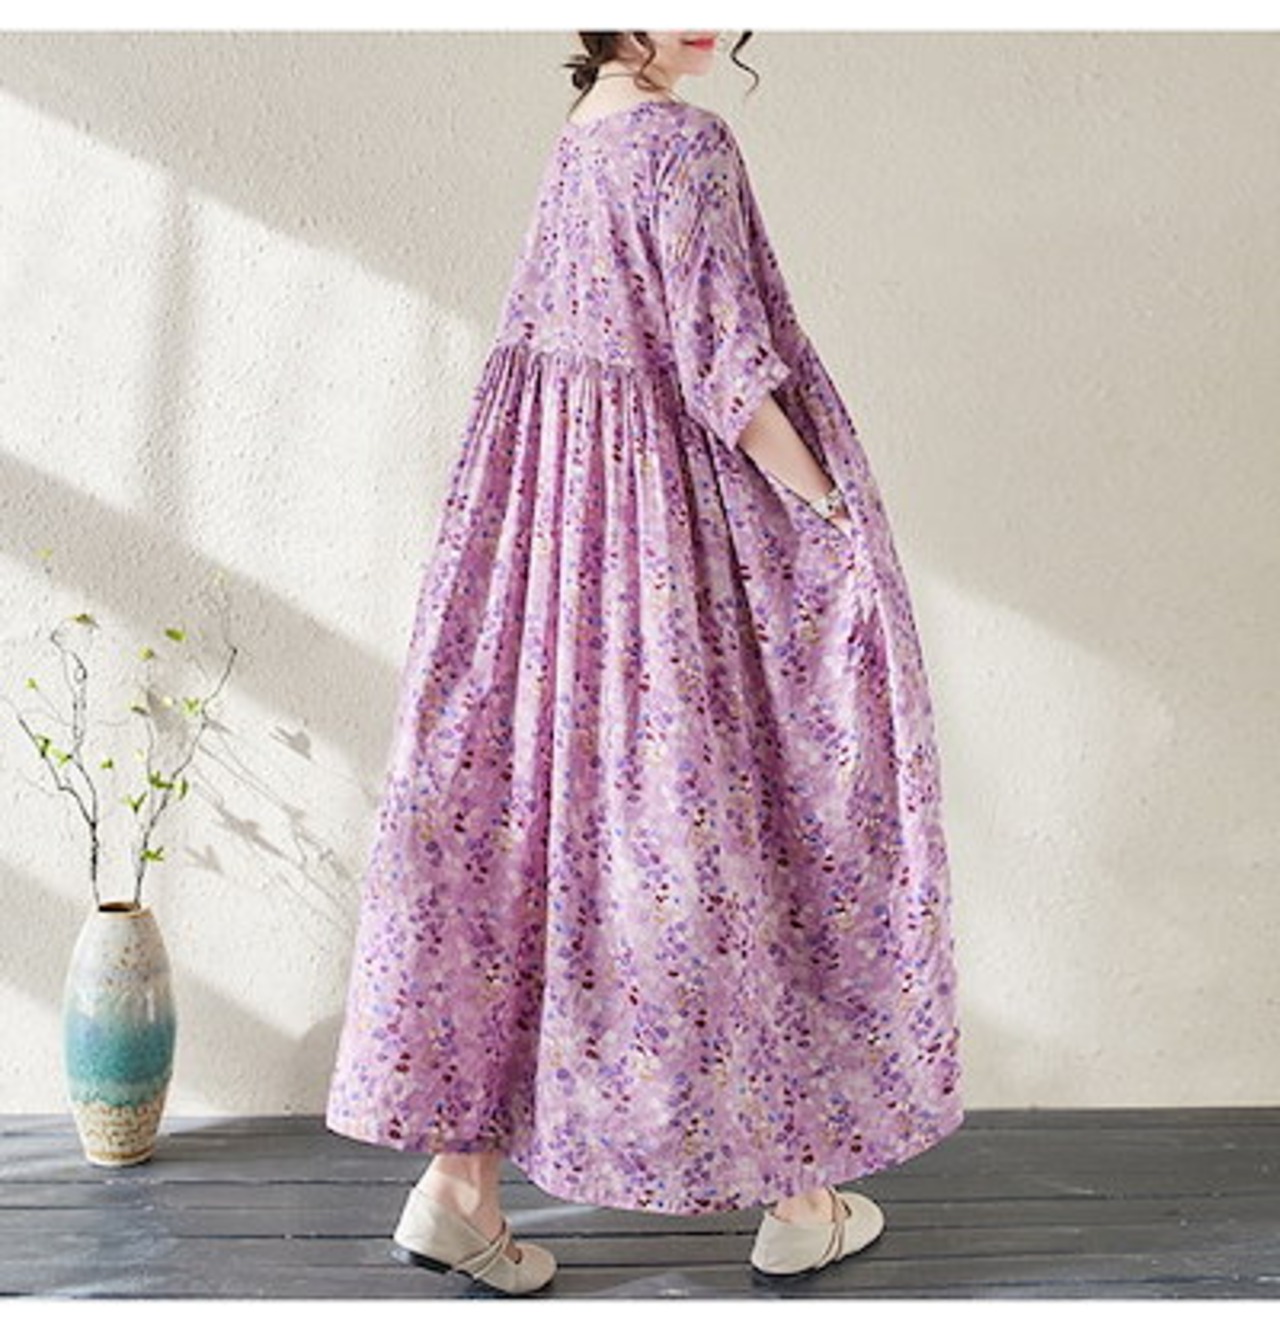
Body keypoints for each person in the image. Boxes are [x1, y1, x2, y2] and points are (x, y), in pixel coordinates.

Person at [325, 31, 964, 1296]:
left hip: (545, 541)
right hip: (661, 540)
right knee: (718, 831)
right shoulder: (683, 144)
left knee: (535, 835)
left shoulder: (579, 140)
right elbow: (723, 369)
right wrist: (829, 508)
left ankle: (457, 1185)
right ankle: (798, 1196)